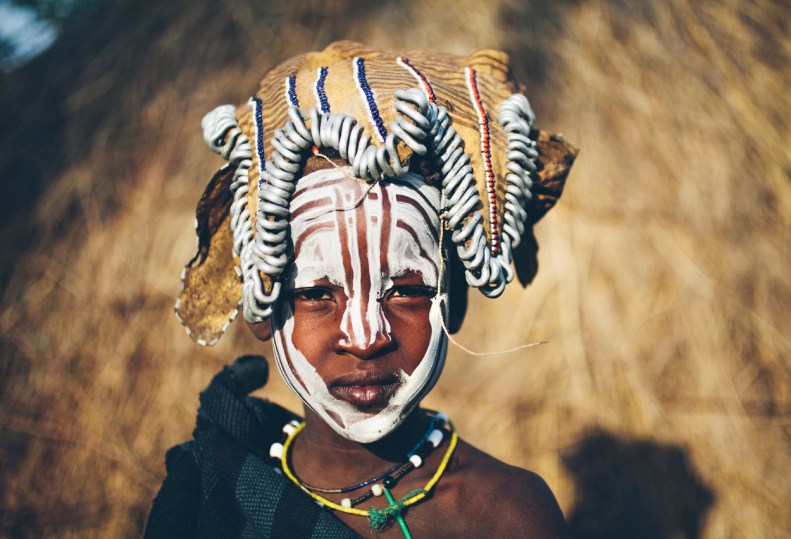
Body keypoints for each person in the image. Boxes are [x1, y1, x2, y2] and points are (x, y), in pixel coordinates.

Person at [146, 41, 577, 538]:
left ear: (453, 302)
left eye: (405, 292)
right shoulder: (209, 495)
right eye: (316, 295)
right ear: (261, 307)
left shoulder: (507, 516)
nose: (366, 337)